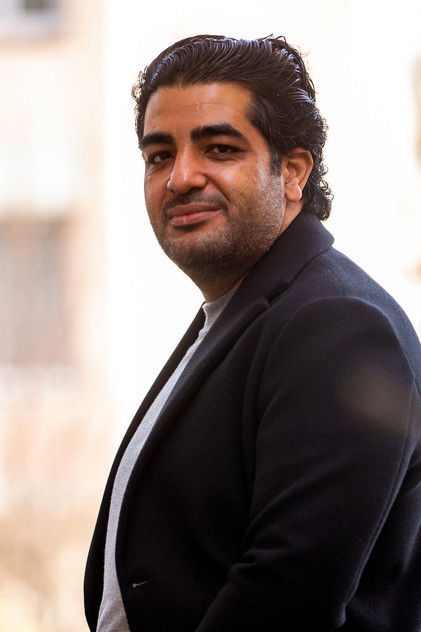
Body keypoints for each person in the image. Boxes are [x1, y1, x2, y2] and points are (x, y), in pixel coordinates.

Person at [84, 35, 421, 631]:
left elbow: (287, 594)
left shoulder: (336, 323)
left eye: (219, 148)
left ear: (292, 172)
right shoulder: (243, 314)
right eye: (159, 155)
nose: (180, 177)